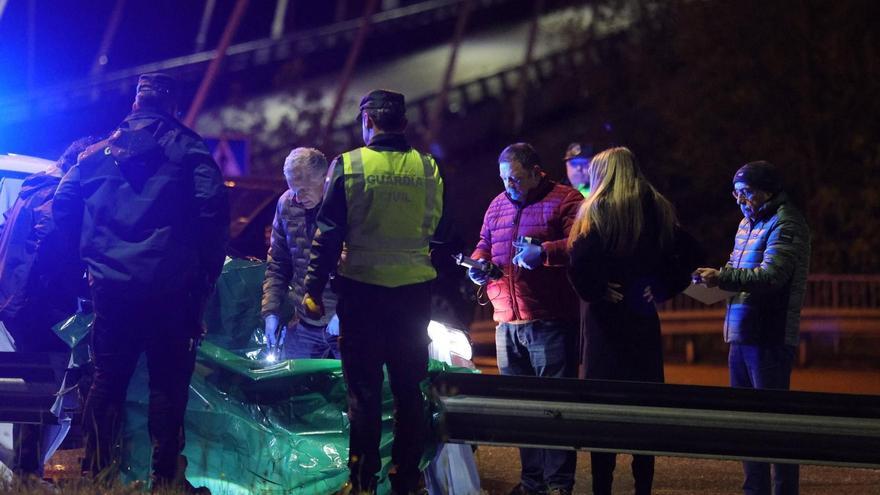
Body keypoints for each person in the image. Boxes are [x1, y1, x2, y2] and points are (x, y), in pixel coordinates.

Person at [53, 72, 229, 490]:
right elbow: (214, 213)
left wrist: (91, 260)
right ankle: (164, 479)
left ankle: (97, 475)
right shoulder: (190, 150)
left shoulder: (93, 155)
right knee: (168, 386)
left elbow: (62, 208)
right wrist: (204, 274)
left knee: (106, 381)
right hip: (173, 292)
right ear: (173, 107)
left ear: (136, 104)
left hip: (112, 289)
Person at [301, 89, 443, 495]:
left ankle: (363, 479)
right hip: (413, 298)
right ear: (403, 123)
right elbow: (442, 230)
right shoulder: (429, 167)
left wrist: (313, 287)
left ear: (368, 122)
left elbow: (327, 235)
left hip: (363, 296)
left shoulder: (349, 165)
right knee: (408, 392)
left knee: (363, 393)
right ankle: (406, 478)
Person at [566, 147, 694, 495]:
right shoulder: (658, 208)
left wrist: (597, 290)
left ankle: (603, 488)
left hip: (605, 325)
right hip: (642, 322)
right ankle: (643, 488)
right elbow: (691, 253)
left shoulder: (596, 210)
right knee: (644, 411)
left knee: (603, 415)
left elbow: (577, 263)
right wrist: (662, 287)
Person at [469, 142, 582, 495]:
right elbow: (484, 242)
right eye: (504, 179)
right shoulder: (497, 205)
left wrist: (545, 252)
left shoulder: (567, 200)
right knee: (521, 410)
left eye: (516, 179)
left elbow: (582, 243)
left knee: (554, 409)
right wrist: (478, 265)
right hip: (506, 322)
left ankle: (558, 484)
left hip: (549, 321)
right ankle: (532, 482)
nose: (509, 186)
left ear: (536, 172)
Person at [693, 160, 810, 495]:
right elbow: (735, 266)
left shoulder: (786, 223)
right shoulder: (747, 224)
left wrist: (725, 276)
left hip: (769, 335)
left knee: (775, 424)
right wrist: (712, 277)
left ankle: (782, 490)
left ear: (767, 191)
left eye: (746, 193)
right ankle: (753, 490)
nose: (740, 200)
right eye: (736, 194)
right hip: (741, 334)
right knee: (745, 423)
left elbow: (772, 276)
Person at [0, 137, 95, 478]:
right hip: (42, 308)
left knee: (33, 391)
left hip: (18, 305)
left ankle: (26, 473)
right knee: (44, 394)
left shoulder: (29, 189)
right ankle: (28, 474)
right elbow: (53, 245)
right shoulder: (54, 195)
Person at [261, 147, 339, 360]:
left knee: (351, 390)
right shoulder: (286, 204)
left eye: (303, 189)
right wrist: (271, 311)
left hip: (344, 325)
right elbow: (278, 262)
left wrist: (345, 311)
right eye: (292, 189)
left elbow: (361, 264)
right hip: (304, 323)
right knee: (294, 389)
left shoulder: (345, 205)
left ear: (325, 178)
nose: (297, 197)